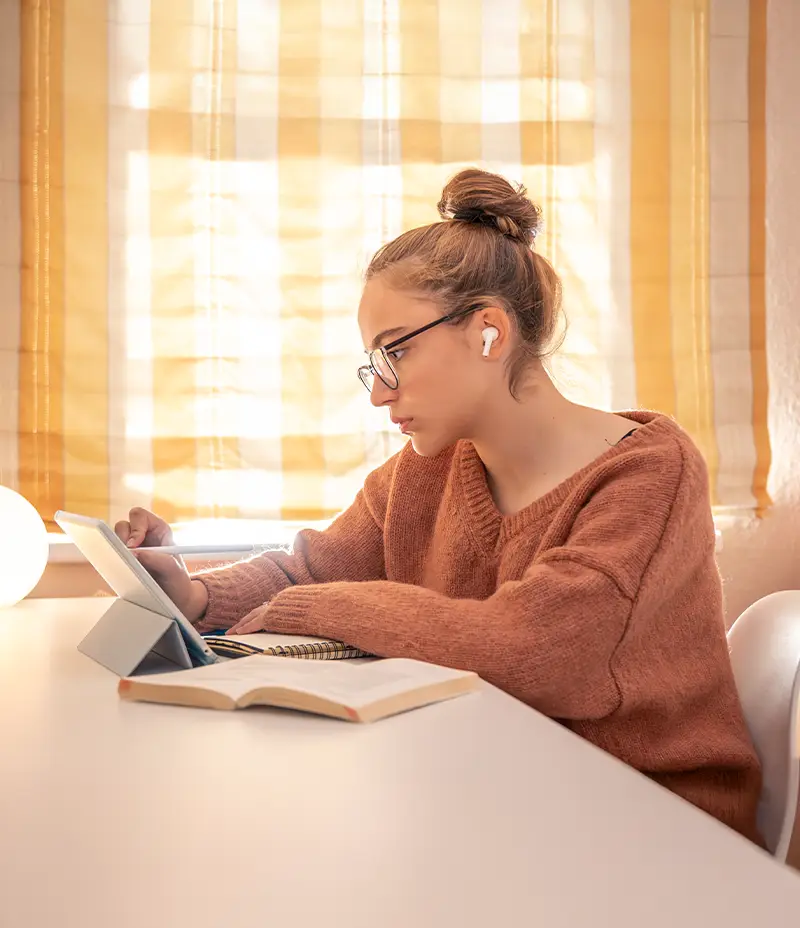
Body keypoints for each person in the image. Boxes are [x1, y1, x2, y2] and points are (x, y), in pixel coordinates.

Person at [116, 167, 762, 841]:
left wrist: (313, 609)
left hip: (650, 822)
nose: (379, 393)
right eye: (374, 363)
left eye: (395, 352)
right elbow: (315, 568)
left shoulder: (648, 474)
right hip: (501, 787)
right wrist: (192, 596)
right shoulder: (429, 468)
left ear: (488, 331)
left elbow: (533, 654)